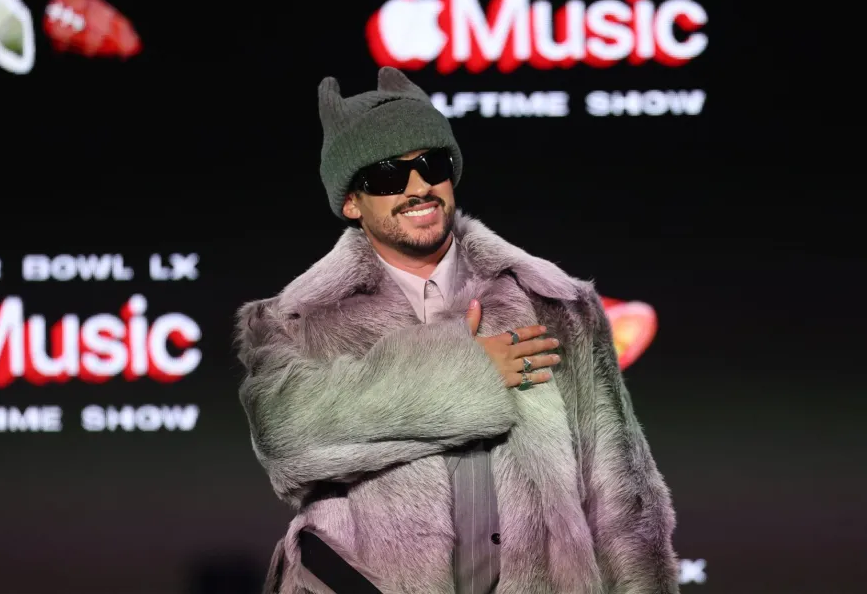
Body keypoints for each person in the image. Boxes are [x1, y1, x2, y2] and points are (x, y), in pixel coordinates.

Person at [235, 67, 679, 594]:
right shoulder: (295, 320)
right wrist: (469, 372)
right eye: (386, 176)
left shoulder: (556, 305)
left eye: (432, 165)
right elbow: (287, 440)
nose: (418, 187)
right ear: (352, 202)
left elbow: (622, 501)